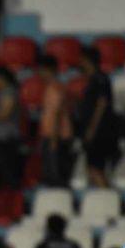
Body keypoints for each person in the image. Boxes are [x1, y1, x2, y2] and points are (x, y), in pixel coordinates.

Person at [76, 46, 119, 188]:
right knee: (90, 169)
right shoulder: (92, 80)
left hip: (99, 133)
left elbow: (102, 103)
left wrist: (92, 129)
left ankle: (108, 196)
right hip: (92, 132)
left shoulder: (101, 79)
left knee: (96, 169)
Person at [37, 55, 74, 187]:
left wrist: (53, 139)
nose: (39, 74)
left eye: (41, 70)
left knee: (55, 175)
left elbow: (56, 115)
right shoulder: (56, 87)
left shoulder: (54, 89)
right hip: (53, 135)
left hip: (56, 136)